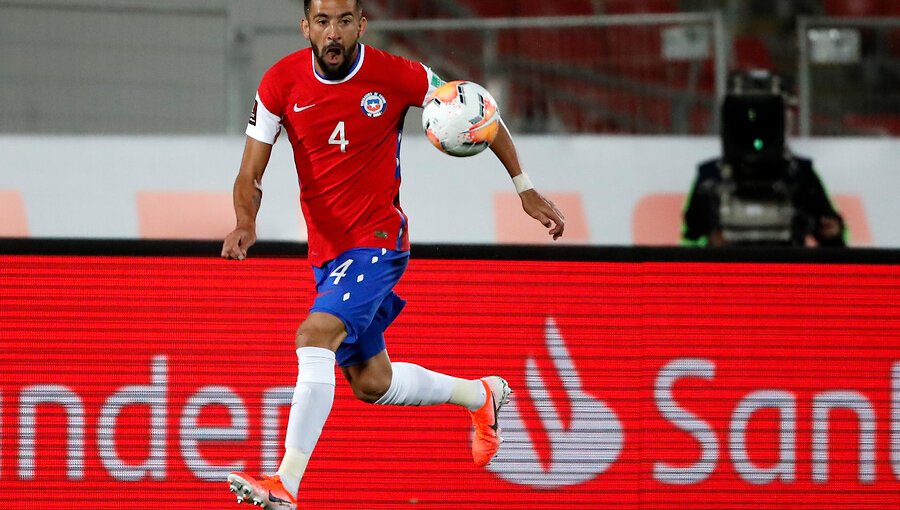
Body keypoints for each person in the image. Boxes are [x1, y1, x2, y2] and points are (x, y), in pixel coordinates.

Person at [220, 0, 566, 508]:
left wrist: (524, 186)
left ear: (361, 24)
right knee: (371, 383)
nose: (332, 33)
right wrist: (245, 224)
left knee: (313, 334)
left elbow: (475, 109)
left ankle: (285, 483)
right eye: (322, 22)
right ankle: (481, 394)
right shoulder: (278, 84)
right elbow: (250, 173)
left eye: (343, 21)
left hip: (377, 242)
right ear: (305, 27)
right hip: (327, 255)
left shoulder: (397, 74)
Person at [682, 70, 845, 247]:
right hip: (729, 270)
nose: (755, 122)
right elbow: (691, 235)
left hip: (786, 268)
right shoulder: (711, 176)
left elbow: (830, 233)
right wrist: (712, 244)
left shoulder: (800, 174)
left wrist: (832, 230)